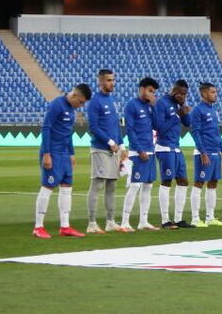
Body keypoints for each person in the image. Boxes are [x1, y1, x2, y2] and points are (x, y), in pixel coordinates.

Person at [33, 83, 91, 238]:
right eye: (81, 102)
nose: (81, 105)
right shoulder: (57, 105)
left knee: (67, 188)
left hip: (65, 154)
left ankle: (65, 226)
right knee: (48, 187)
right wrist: (46, 153)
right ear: (75, 95)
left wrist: (71, 153)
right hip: (52, 152)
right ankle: (38, 227)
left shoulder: (72, 110)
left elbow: (68, 132)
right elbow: (46, 128)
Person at [85, 69, 125, 234]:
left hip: (114, 150)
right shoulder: (95, 102)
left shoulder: (112, 100)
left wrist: (122, 145)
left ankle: (110, 221)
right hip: (101, 149)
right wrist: (109, 142)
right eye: (108, 80)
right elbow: (93, 127)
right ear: (100, 82)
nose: (112, 83)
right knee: (97, 184)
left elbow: (116, 125)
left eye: (113, 80)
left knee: (112, 186)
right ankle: (92, 223)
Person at [120, 77, 160, 231]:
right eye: (150, 91)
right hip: (138, 152)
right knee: (135, 185)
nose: (151, 94)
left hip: (150, 149)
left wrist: (154, 106)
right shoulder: (132, 105)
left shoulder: (150, 106)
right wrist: (139, 149)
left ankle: (143, 221)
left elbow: (156, 126)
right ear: (142, 89)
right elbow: (129, 130)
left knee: (148, 186)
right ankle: (125, 221)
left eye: (153, 92)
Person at [153, 79, 194, 229]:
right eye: (181, 94)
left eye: (185, 94)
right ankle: (165, 220)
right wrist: (177, 115)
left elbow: (188, 123)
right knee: (167, 181)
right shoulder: (161, 103)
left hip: (176, 147)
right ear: (174, 91)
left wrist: (182, 107)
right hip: (164, 148)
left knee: (183, 181)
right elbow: (160, 128)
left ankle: (178, 218)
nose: (183, 96)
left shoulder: (178, 104)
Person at [190, 82, 222, 227]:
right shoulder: (197, 110)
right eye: (213, 92)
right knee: (199, 183)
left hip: (215, 152)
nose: (215, 94)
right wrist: (203, 152)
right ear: (204, 93)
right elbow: (195, 132)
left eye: (215, 92)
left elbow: (216, 133)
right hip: (204, 153)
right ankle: (195, 218)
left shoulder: (213, 110)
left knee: (213, 184)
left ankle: (210, 217)